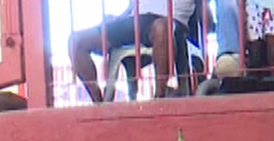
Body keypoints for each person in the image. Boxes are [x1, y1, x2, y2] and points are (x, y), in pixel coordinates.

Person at [69, 0, 197, 102]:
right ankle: (99, 103)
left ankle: (159, 99)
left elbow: (203, 13)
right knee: (76, 41)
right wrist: (117, 18)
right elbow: (132, 7)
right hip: (136, 20)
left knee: (162, 27)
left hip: (170, 20)